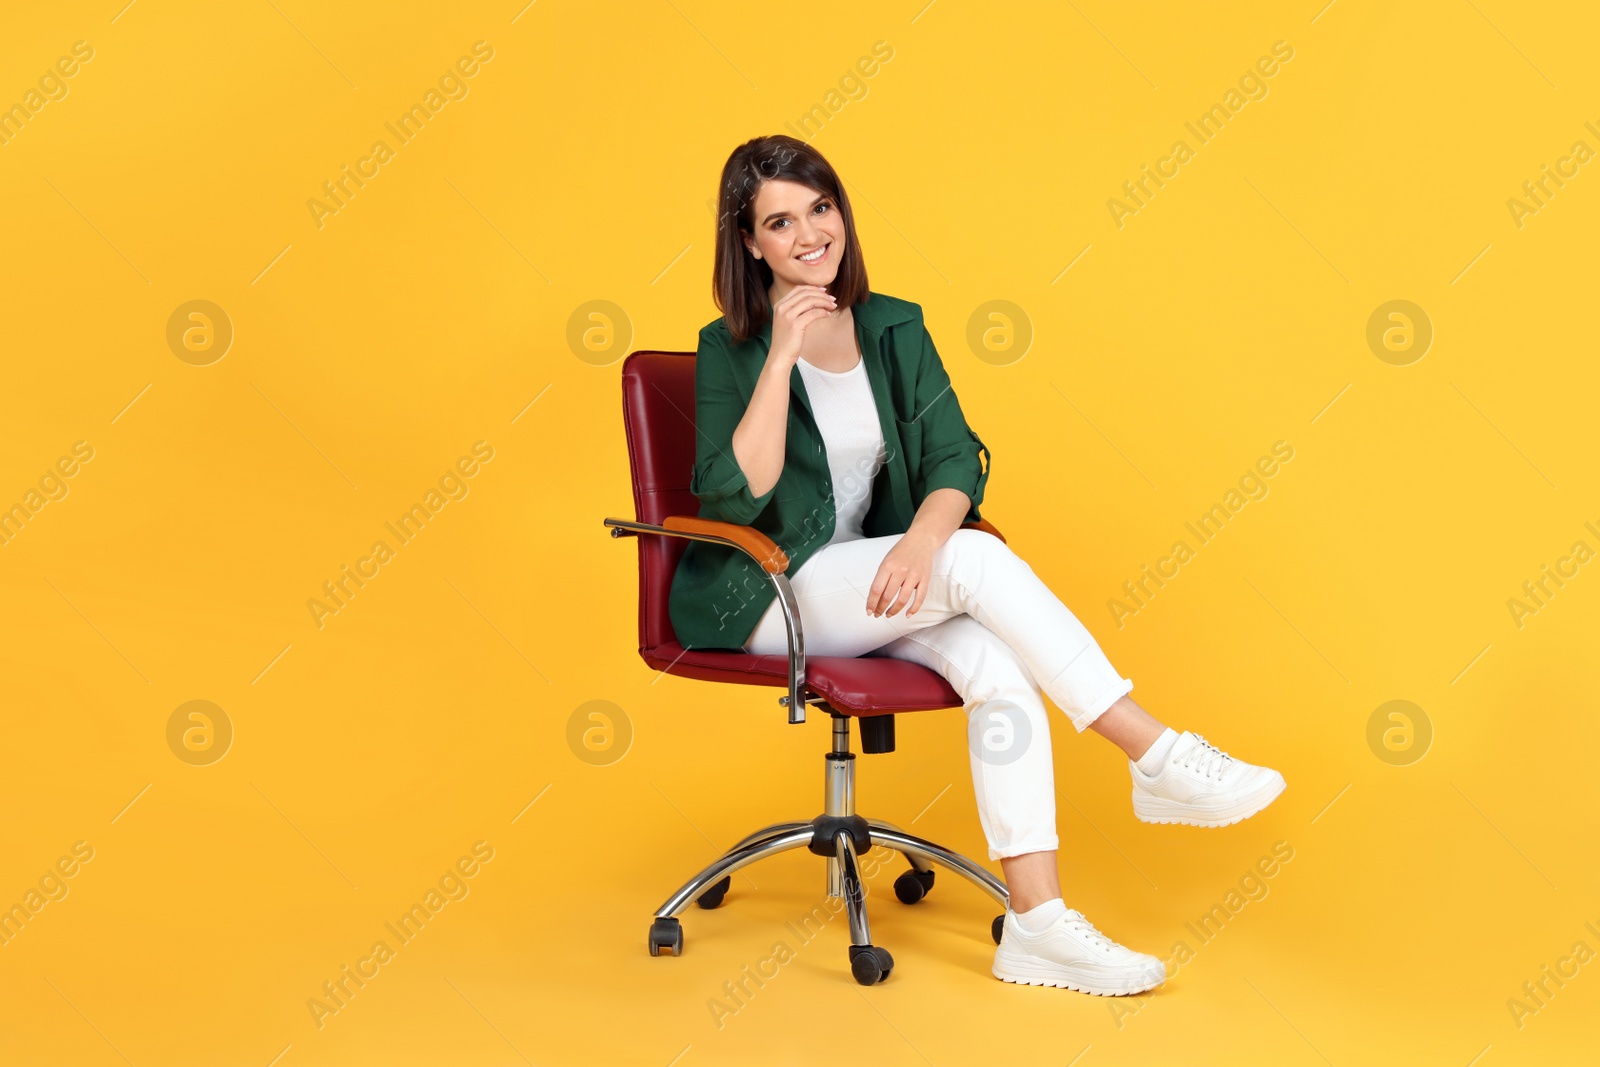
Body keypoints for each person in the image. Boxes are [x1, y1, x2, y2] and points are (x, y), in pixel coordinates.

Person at [667, 134, 1286, 996]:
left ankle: (1037, 924)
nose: (809, 233)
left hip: (876, 580)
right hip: (765, 592)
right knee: (976, 560)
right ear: (750, 242)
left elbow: (957, 458)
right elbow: (738, 495)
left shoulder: (892, 326)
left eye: (820, 207)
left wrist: (922, 545)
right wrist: (778, 355)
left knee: (999, 663)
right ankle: (1153, 751)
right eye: (780, 221)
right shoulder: (727, 346)